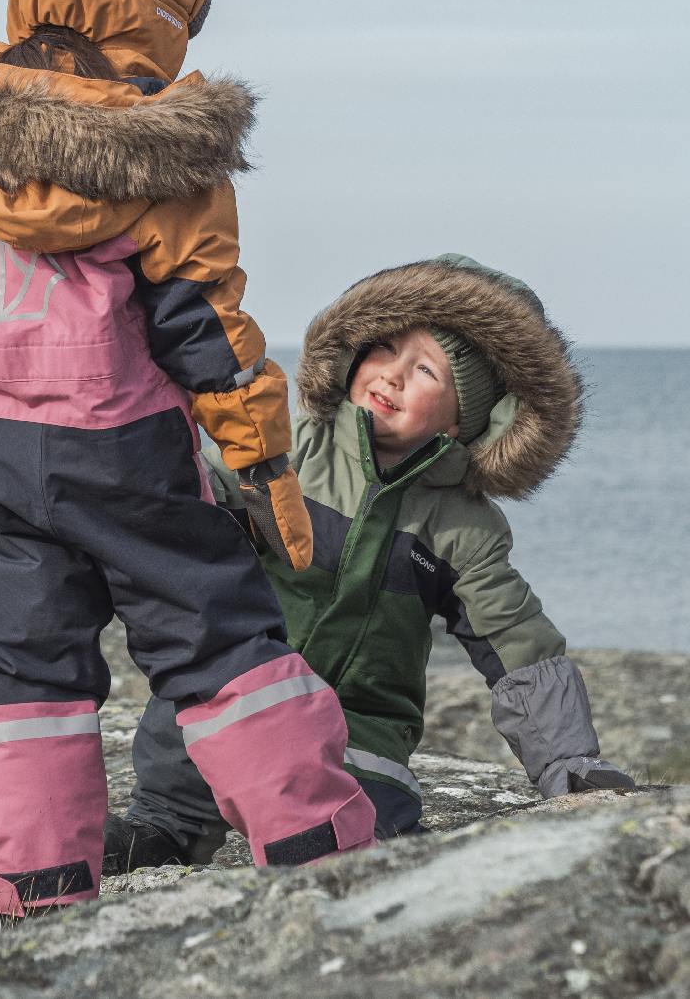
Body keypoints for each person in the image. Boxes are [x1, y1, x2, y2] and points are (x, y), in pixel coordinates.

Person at [0, 0, 377, 926]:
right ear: (163, 8)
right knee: (217, 634)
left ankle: (33, 878)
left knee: (23, 657)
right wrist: (264, 461)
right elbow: (206, 328)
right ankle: (311, 836)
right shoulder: (171, 158)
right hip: (125, 444)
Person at [105, 254, 635, 870]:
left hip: (359, 733)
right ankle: (165, 829)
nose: (392, 376)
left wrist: (568, 764)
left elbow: (518, 644)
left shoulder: (465, 530)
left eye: (426, 371)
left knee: (363, 825)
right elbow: (198, 494)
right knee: (184, 738)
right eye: (384, 349)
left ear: (470, 416)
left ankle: (355, 846)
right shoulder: (284, 450)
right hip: (239, 698)